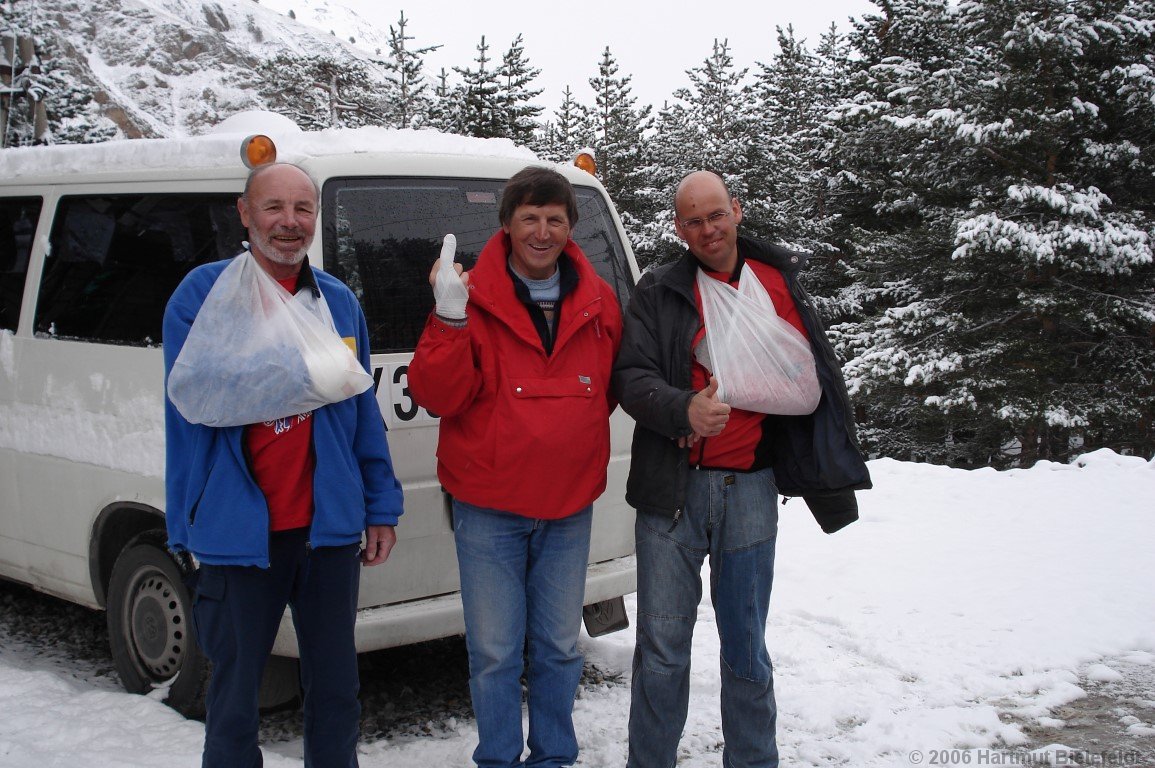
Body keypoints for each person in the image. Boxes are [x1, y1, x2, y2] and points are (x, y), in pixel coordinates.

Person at [612, 170, 871, 768]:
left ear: (737, 211)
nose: (707, 229)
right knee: (662, 650)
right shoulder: (659, 291)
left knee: (747, 649)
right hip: (669, 494)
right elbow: (631, 377)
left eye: (716, 215)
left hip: (751, 489)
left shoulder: (775, 282)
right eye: (693, 220)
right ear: (679, 228)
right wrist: (684, 408)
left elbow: (810, 383)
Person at [163, 162, 404, 768]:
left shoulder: (338, 303)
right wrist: (315, 372)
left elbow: (360, 411)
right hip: (237, 533)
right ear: (245, 213)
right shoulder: (202, 295)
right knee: (236, 696)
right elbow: (199, 399)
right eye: (274, 207)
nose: (290, 223)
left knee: (335, 689)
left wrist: (380, 505)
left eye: (303, 209)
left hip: (326, 532)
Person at [407, 166, 622, 768]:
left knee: (557, 646)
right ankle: (498, 758)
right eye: (529, 217)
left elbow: (604, 390)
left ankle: (553, 755)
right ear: (506, 224)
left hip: (568, 507)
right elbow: (438, 396)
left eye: (555, 218)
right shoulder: (469, 295)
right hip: (489, 509)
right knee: (496, 651)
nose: (542, 230)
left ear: (570, 227)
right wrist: (448, 321)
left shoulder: (599, 299)